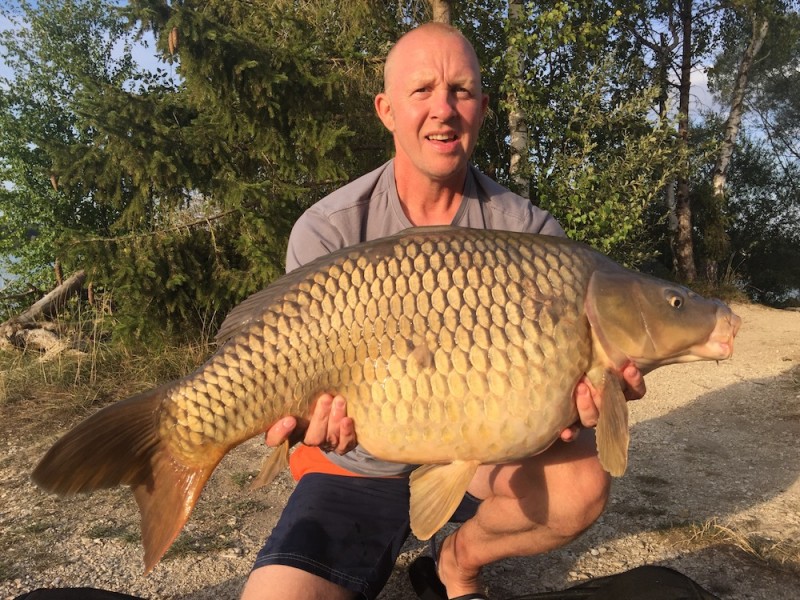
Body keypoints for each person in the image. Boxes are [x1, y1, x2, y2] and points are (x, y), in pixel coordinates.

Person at [240, 22, 645, 600]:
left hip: (481, 457)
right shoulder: (328, 230)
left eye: (461, 90)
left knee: (581, 483)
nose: (444, 109)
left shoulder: (531, 234)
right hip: (355, 464)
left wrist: (577, 405)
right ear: (386, 110)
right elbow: (296, 383)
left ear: (482, 107)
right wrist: (306, 421)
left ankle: (456, 562)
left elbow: (561, 411)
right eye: (422, 90)